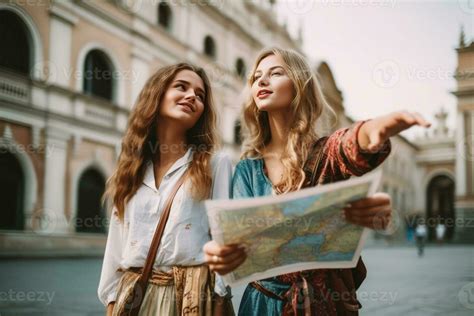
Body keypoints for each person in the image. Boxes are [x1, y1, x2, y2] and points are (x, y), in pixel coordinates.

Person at [204, 47, 431, 315]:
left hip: (322, 303)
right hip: (261, 304)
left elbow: (348, 145)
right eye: (256, 77)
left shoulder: (324, 152)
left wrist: (373, 130)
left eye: (276, 73)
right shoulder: (246, 169)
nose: (262, 81)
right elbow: (237, 241)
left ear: (301, 86)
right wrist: (217, 252)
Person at [97, 63, 233, 315]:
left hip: (191, 298)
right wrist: (111, 300)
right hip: (134, 294)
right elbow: (116, 241)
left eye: (200, 95)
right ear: (157, 95)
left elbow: (224, 238)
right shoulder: (132, 166)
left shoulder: (216, 164)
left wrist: (219, 299)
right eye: (181, 87)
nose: (192, 96)